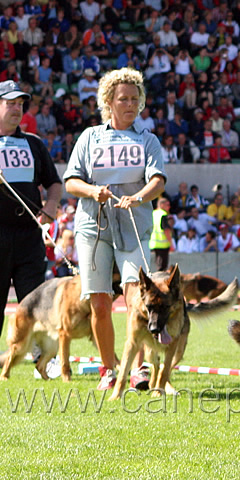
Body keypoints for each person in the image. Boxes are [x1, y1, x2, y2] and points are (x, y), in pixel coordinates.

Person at [63, 68, 167, 391]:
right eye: (124, 99)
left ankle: (137, 371)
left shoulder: (148, 139)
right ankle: (108, 370)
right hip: (93, 226)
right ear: (109, 101)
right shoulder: (90, 137)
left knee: (136, 298)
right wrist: (93, 191)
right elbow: (71, 181)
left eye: (135, 99)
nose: (131, 105)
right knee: (99, 302)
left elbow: (158, 181)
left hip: (134, 225)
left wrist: (139, 197)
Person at [0, 80, 62, 336]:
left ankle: (43, 360)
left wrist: (49, 209)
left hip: (29, 235)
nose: (17, 109)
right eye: (10, 103)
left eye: (20, 104)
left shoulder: (34, 143)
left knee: (35, 302)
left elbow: (54, 183)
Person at [149, 197, 173, 271]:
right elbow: (166, 230)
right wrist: (171, 243)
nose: (169, 207)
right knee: (162, 267)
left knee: (158, 264)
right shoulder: (163, 214)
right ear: (162, 205)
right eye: (167, 205)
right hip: (163, 244)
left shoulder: (153, 213)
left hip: (153, 243)